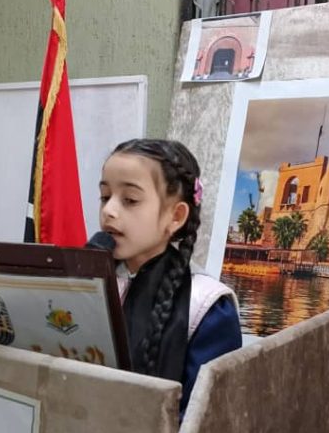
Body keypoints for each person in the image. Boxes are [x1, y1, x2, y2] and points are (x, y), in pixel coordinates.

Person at [99, 138, 242, 415]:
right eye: (105, 197)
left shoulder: (207, 307)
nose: (108, 211)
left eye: (130, 200)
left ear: (176, 216)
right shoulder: (89, 284)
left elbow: (204, 424)